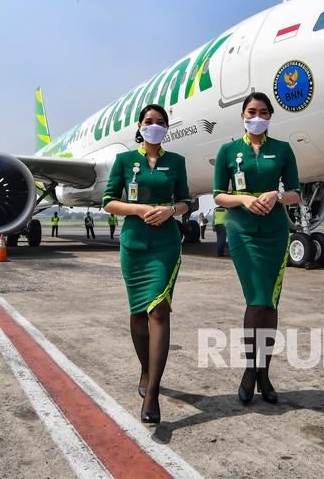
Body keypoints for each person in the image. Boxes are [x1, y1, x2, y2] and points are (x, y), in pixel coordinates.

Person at [103, 104, 190, 424]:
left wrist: (171, 210)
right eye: (149, 122)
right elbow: (108, 201)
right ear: (139, 126)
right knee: (138, 314)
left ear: (168, 128)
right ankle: (145, 368)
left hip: (166, 245)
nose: (155, 126)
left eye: (161, 122)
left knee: (159, 311)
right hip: (134, 244)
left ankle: (152, 392)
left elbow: (187, 200)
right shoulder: (125, 161)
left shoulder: (177, 162)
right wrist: (137, 210)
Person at [213, 92, 301, 406]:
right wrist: (245, 199)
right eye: (252, 111)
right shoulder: (228, 151)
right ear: (242, 115)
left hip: (275, 233)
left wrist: (277, 196)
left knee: (270, 303)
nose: (257, 117)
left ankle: (263, 372)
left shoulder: (283, 150)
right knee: (256, 299)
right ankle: (252, 372)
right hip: (242, 232)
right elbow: (218, 196)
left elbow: (296, 192)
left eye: (264, 112)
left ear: (270, 116)